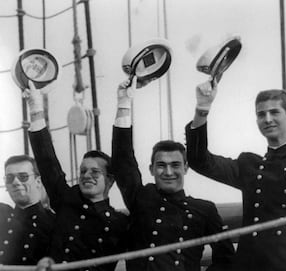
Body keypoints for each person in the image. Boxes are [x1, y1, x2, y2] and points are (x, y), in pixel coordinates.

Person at [184, 78, 286, 271]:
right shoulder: (249, 165)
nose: (267, 119)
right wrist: (202, 109)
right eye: (261, 114)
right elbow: (200, 161)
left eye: (274, 112)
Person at [111, 79, 235, 271]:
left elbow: (226, 260)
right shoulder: (141, 198)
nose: (168, 172)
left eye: (175, 165)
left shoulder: (204, 210)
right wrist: (123, 104)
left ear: (186, 168)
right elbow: (122, 161)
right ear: (151, 169)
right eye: (161, 165)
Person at [24, 81, 129, 271]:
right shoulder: (66, 200)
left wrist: (124, 104)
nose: (87, 176)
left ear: (110, 180)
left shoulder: (120, 223)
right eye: (83, 171)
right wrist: (36, 109)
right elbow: (48, 164)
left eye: (95, 172)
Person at [0, 155, 55, 265]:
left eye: (23, 176)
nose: (15, 182)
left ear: (38, 182)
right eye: (10, 178)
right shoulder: (2, 216)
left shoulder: (53, 222)